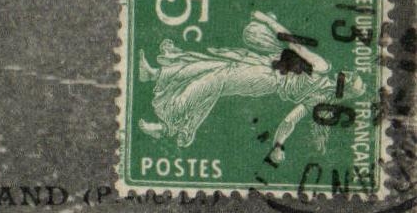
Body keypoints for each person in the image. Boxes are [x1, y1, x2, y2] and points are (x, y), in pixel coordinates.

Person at [138, 9, 365, 160]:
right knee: (213, 65)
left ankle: (166, 124)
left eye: (350, 76)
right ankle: (157, 74)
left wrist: (266, 20)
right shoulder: (319, 99)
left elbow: (293, 44)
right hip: (266, 65)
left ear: (344, 84)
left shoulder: (323, 68)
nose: (347, 72)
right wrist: (278, 146)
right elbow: (289, 121)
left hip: (266, 76)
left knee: (217, 78)